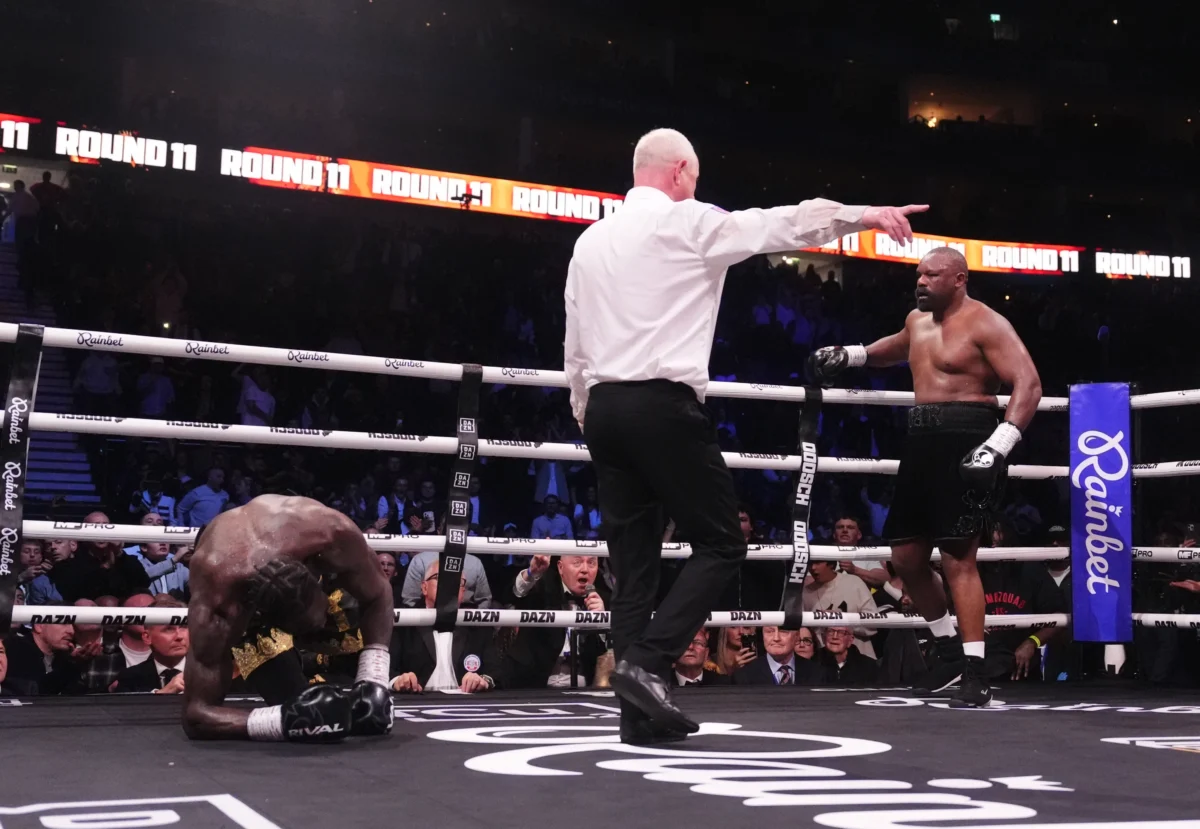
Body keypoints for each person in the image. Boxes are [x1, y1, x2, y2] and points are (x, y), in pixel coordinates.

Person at [565, 126, 927, 741]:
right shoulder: (688, 222)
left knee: (633, 563)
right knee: (722, 544)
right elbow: (782, 224)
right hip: (662, 405)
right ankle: (647, 664)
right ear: (679, 172)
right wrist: (864, 214)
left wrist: (583, 407)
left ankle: (636, 717)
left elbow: (574, 338)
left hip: (603, 409)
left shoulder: (590, 239)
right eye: (695, 178)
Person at [809, 246, 1042, 708]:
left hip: (967, 438)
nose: (920, 282)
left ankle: (976, 672)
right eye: (919, 274)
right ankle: (949, 653)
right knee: (907, 556)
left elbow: (1029, 384)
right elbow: (896, 348)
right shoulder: (917, 320)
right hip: (920, 439)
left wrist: (998, 446)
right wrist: (852, 355)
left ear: (959, 279)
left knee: (957, 557)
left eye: (932, 275)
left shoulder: (987, 323)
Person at [182, 495, 395, 743]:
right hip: (245, 600)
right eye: (304, 630)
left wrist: (374, 678)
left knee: (350, 611)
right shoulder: (220, 602)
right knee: (303, 711)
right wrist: (283, 721)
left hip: (308, 560)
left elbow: (380, 592)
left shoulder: (330, 533)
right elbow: (196, 715)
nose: (318, 626)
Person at [389, 559, 500, 694]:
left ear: (463, 591)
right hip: (417, 699)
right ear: (424, 587)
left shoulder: (477, 625)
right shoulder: (405, 622)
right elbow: (386, 669)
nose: (449, 584)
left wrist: (482, 680)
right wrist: (398, 681)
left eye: (457, 581)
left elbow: (496, 672)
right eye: (439, 577)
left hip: (466, 701)